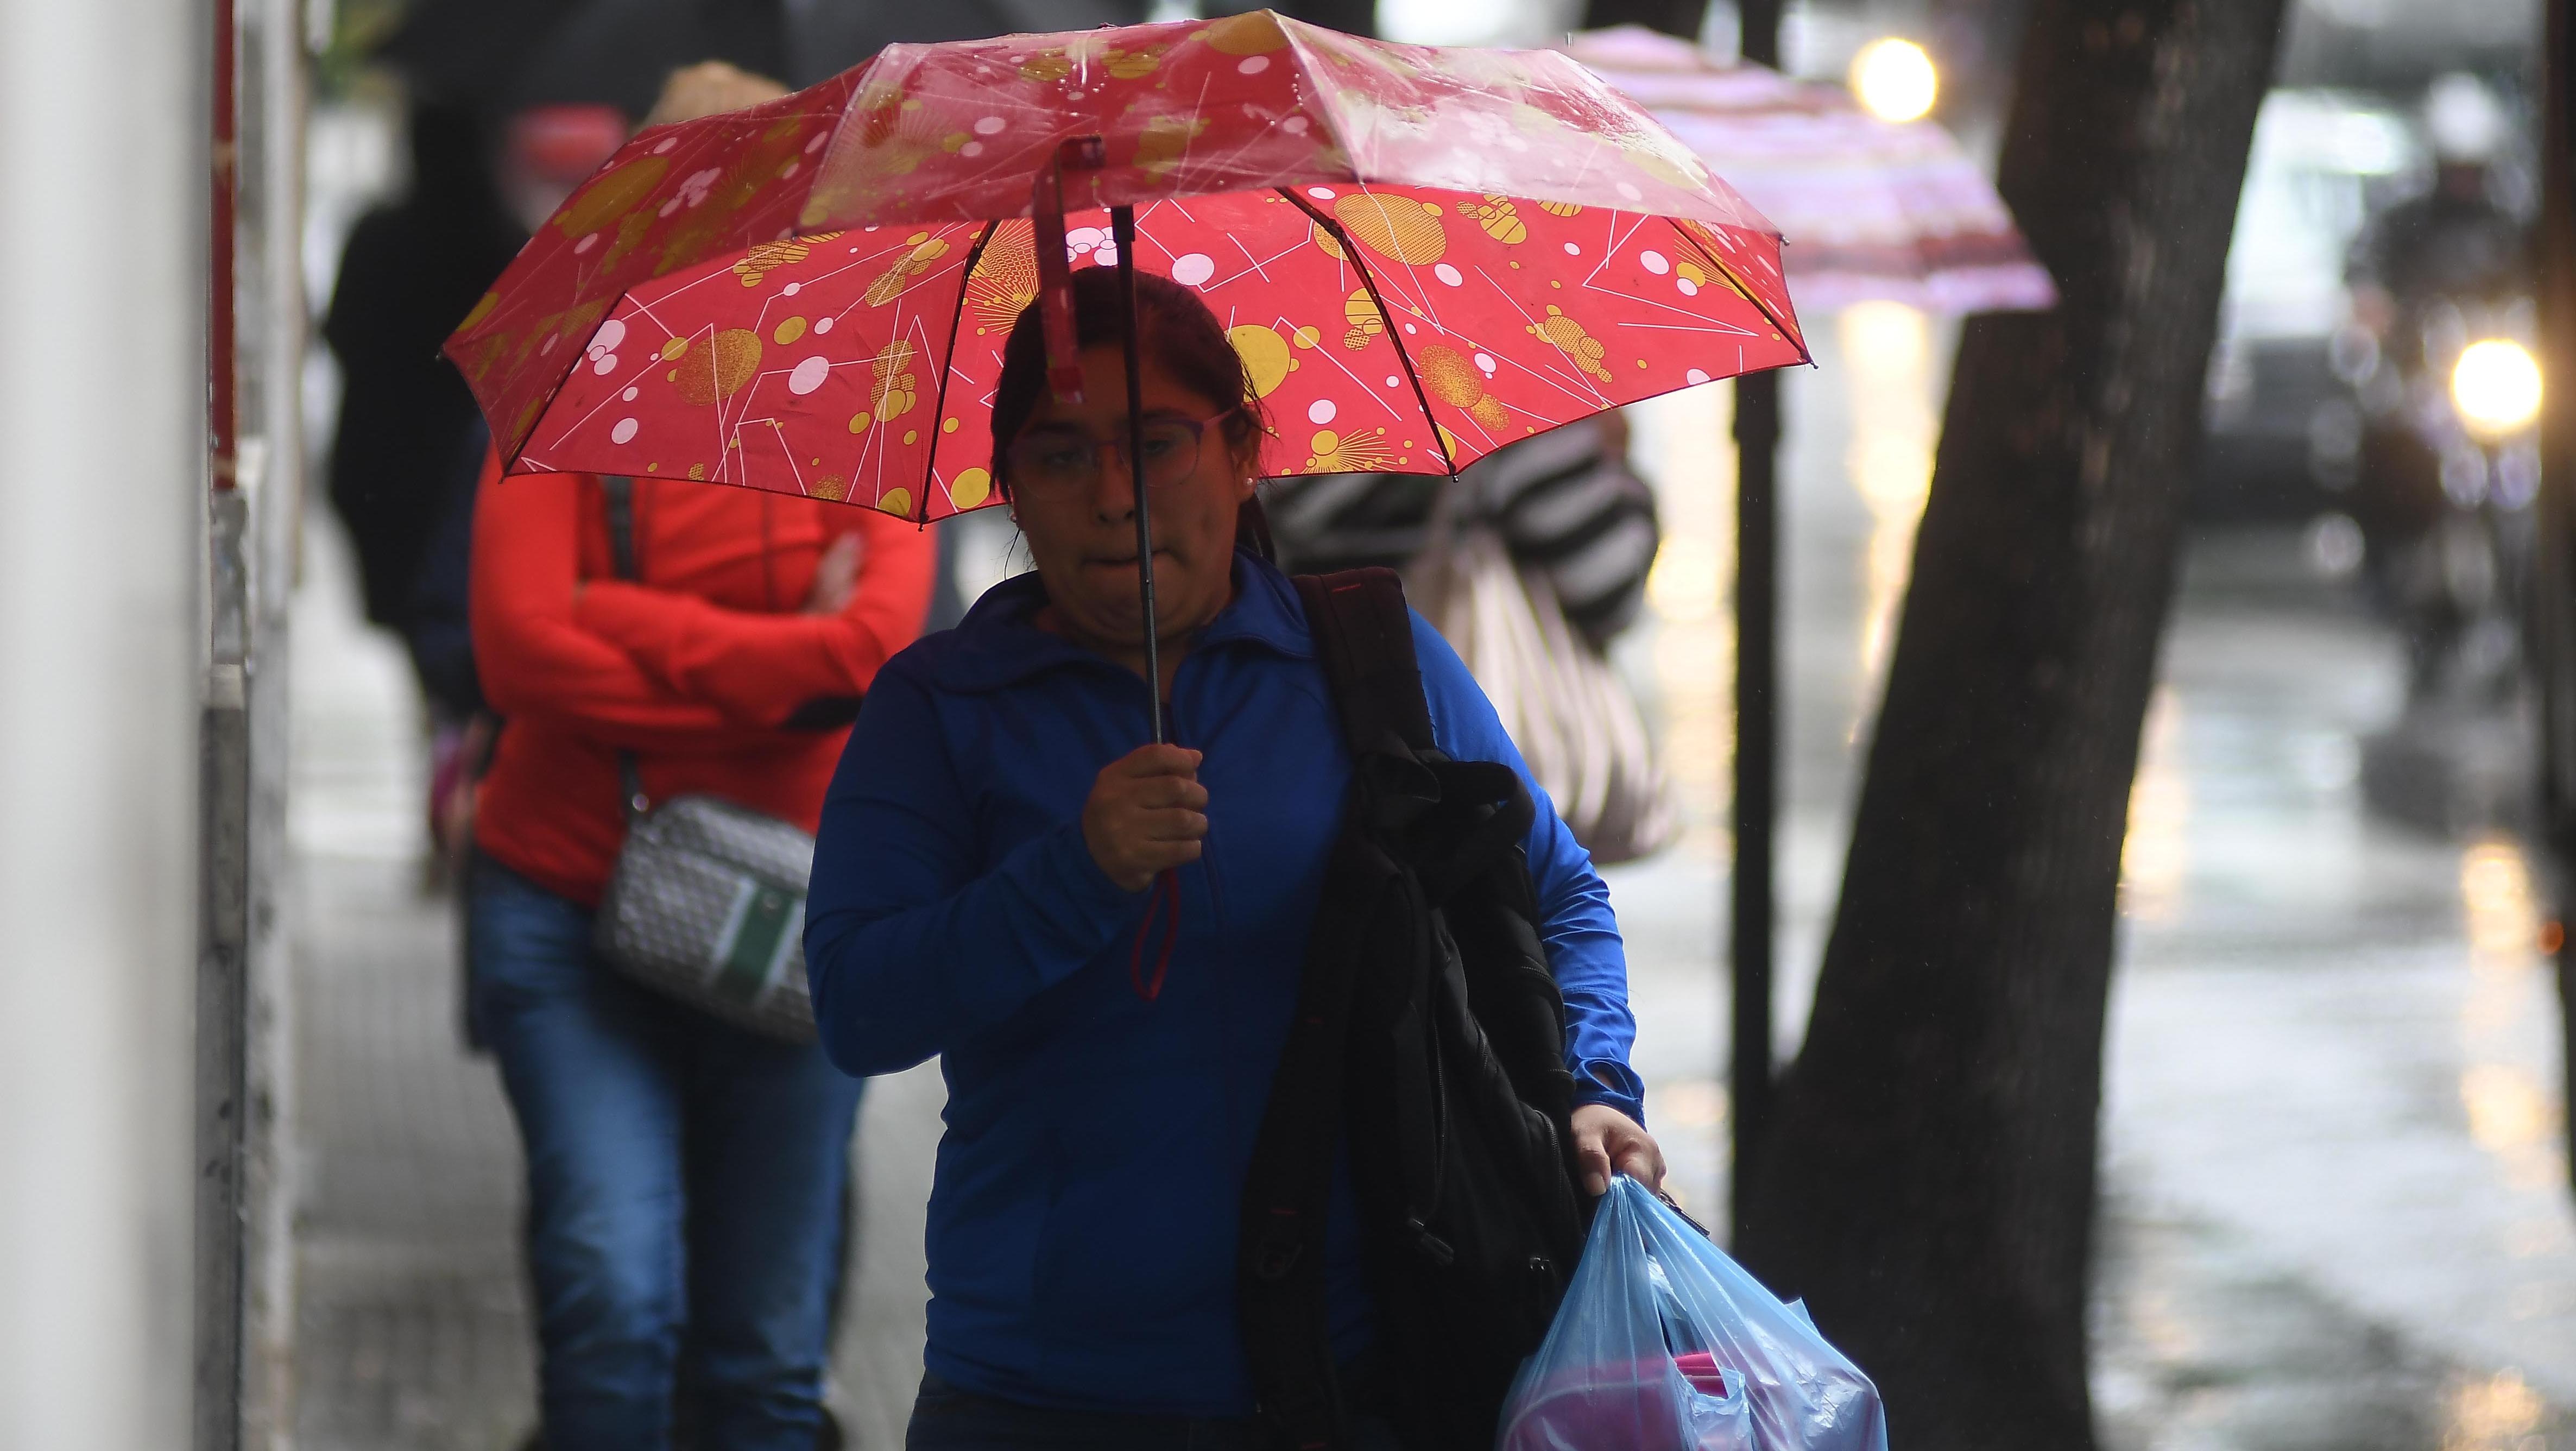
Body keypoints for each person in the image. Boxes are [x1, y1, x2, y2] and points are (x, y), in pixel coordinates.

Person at [803, 267, 1664, 1449]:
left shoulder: (1365, 662)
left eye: (1154, 444)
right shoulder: (941, 706)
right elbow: (857, 1003)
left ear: (1244, 451)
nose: (1114, 497)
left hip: (1359, 1376)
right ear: (1009, 485)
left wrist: (1589, 1090)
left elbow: (1553, 891)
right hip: (1039, 1393)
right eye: (1060, 456)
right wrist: (1074, 873)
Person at [466, 434, 933, 1447]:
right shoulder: (571, 412)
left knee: (763, 1356)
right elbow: (518, 654)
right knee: (611, 1300)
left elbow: (865, 663)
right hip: (567, 902)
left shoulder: (874, 416)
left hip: (793, 924)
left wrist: (614, 613)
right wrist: (776, 683)